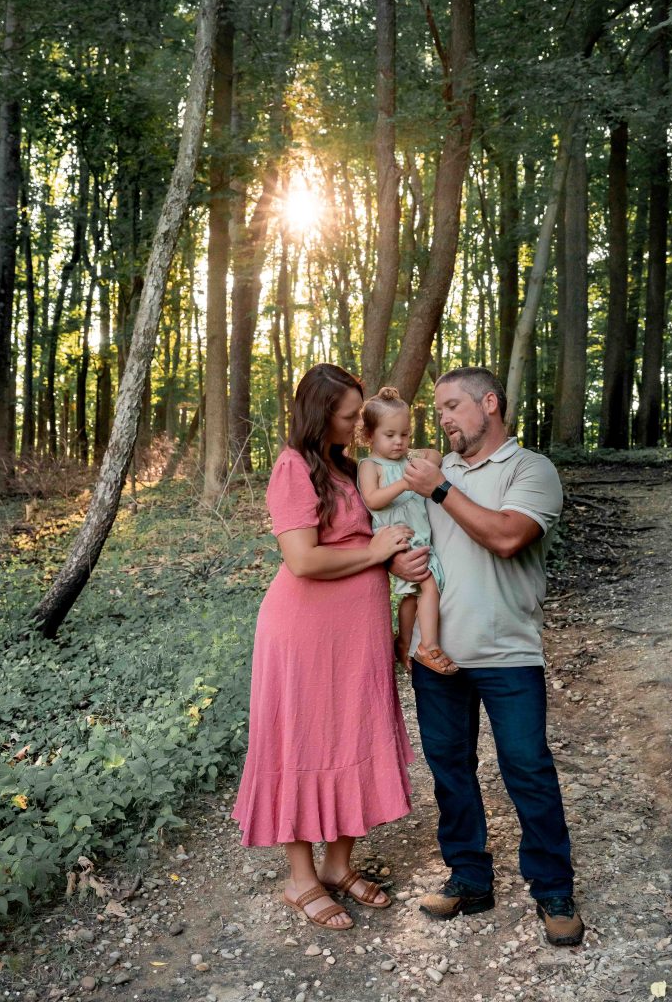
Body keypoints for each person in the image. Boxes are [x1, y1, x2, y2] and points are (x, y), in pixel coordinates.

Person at [393, 366, 584, 947]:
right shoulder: (436, 471)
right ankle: (470, 878)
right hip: (439, 656)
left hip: (508, 652)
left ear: (490, 403)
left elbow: (507, 537)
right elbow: (402, 537)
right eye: (439, 408)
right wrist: (397, 565)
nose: (443, 417)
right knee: (450, 771)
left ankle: (552, 888)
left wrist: (441, 491)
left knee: (527, 769)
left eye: (452, 405)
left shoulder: (531, 470)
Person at [232, 363, 414, 931]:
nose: (357, 422)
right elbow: (304, 559)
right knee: (302, 742)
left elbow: (382, 531)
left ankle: (338, 867)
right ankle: (301, 879)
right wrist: (375, 551)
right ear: (318, 415)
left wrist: (400, 556)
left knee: (355, 735)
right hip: (304, 633)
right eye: (347, 415)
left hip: (355, 635)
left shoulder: (352, 469)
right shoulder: (293, 468)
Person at [356, 386, 456, 676]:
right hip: (396, 535)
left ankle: (404, 641)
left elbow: (435, 454)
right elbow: (372, 499)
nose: (399, 442)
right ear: (369, 436)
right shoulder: (370, 465)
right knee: (429, 585)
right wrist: (405, 483)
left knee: (412, 595)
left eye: (405, 434)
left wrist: (420, 462)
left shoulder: (406, 459)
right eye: (390, 435)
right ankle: (429, 645)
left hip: (418, 534)